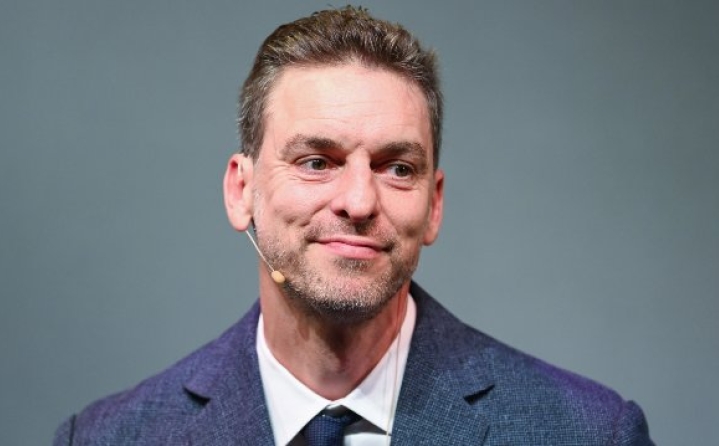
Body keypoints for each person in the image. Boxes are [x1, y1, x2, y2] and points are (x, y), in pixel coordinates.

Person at [55, 6, 654, 445]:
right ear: (241, 191)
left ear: (434, 205)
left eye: (398, 168)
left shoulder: (590, 433)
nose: (360, 201)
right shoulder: (110, 438)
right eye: (317, 162)